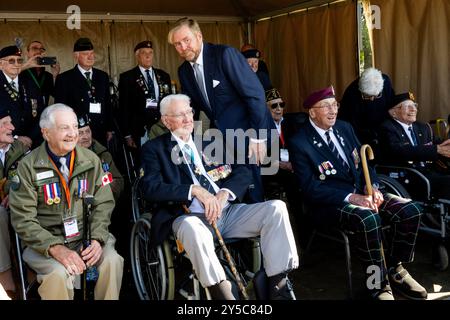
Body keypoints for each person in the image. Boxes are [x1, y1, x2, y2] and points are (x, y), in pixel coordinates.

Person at [141, 94, 298, 300]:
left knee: (276, 208)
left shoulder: (210, 141)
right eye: (180, 115)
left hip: (228, 212)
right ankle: (222, 292)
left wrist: (225, 192)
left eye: (189, 112)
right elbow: (150, 188)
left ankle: (276, 285)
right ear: (165, 120)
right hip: (190, 217)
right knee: (192, 229)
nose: (188, 119)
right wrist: (193, 190)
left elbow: (243, 170)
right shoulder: (154, 149)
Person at [289, 86, 427, 300]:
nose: (333, 110)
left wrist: (372, 187)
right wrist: (352, 197)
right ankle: (377, 283)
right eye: (326, 106)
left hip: (364, 194)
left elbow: (366, 162)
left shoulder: (345, 128)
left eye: (335, 105)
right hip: (331, 203)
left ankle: (395, 268)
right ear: (312, 112)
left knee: (411, 210)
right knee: (368, 219)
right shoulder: (300, 142)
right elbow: (310, 188)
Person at [9, 104, 123, 300]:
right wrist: (56, 248)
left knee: (112, 261)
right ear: (45, 133)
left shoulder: (91, 160)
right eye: (65, 128)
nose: (73, 134)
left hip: (86, 235)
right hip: (45, 243)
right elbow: (23, 220)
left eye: (73, 127)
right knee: (57, 273)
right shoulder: (28, 167)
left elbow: (104, 203)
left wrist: (97, 238)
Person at [168, 18, 272, 203]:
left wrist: (258, 137)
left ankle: (260, 231)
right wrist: (191, 139)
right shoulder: (184, 71)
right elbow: (192, 109)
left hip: (249, 135)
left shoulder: (224, 55)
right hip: (222, 141)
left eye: (186, 40)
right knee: (232, 192)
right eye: (177, 44)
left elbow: (255, 95)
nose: (183, 47)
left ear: (199, 36)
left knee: (253, 192)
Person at [378, 92, 450, 199]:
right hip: (408, 177)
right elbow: (399, 151)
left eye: (414, 106)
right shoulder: (387, 128)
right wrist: (436, 149)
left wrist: (445, 146)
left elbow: (438, 145)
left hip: (429, 172)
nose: (413, 109)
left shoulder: (423, 127)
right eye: (408, 106)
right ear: (394, 113)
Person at [55, 38, 114, 147]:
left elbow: (108, 104)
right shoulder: (64, 79)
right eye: (86, 54)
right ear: (76, 56)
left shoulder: (102, 76)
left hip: (100, 131)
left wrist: (109, 128)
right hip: (77, 133)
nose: (91, 57)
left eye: (92, 53)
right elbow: (60, 109)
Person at [118, 40, 172, 153]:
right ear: (137, 56)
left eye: (150, 52)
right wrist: (127, 135)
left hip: (163, 128)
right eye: (144, 53)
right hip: (140, 131)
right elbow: (124, 109)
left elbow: (170, 103)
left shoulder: (163, 75)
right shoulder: (127, 78)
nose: (148, 56)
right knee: (145, 162)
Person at [0, 112, 29, 300]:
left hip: (15, 202)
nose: (12, 127)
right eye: (5, 123)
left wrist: (13, 190)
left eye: (11, 122)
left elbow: (28, 175)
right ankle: (5, 275)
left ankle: (32, 268)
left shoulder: (18, 147)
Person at [262, 88, 301, 212]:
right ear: (266, 108)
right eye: (274, 106)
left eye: (281, 105)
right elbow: (260, 157)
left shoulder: (290, 123)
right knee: (293, 181)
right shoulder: (261, 126)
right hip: (272, 167)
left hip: (292, 164)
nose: (279, 109)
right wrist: (282, 165)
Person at [0, 45, 44, 149]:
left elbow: (40, 113)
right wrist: (15, 138)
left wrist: (30, 138)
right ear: (1, 64)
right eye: (11, 61)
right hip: (5, 146)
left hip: (31, 144)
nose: (16, 64)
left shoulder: (30, 83)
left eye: (19, 61)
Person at [339, 67, 395, 147]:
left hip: (384, 130)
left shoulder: (386, 82)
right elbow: (350, 124)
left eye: (376, 96)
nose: (372, 99)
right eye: (367, 96)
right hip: (362, 134)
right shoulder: (351, 93)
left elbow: (392, 105)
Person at [77, 114, 124, 202]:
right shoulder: (65, 158)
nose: (86, 137)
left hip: (101, 204)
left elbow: (119, 182)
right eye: (80, 133)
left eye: (88, 131)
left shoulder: (103, 155)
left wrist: (108, 184)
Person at [20, 40, 60, 107]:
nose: (38, 51)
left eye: (42, 49)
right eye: (34, 48)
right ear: (27, 53)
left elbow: (58, 95)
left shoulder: (48, 76)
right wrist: (26, 66)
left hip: (43, 115)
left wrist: (55, 76)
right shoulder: (19, 73)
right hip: (23, 116)